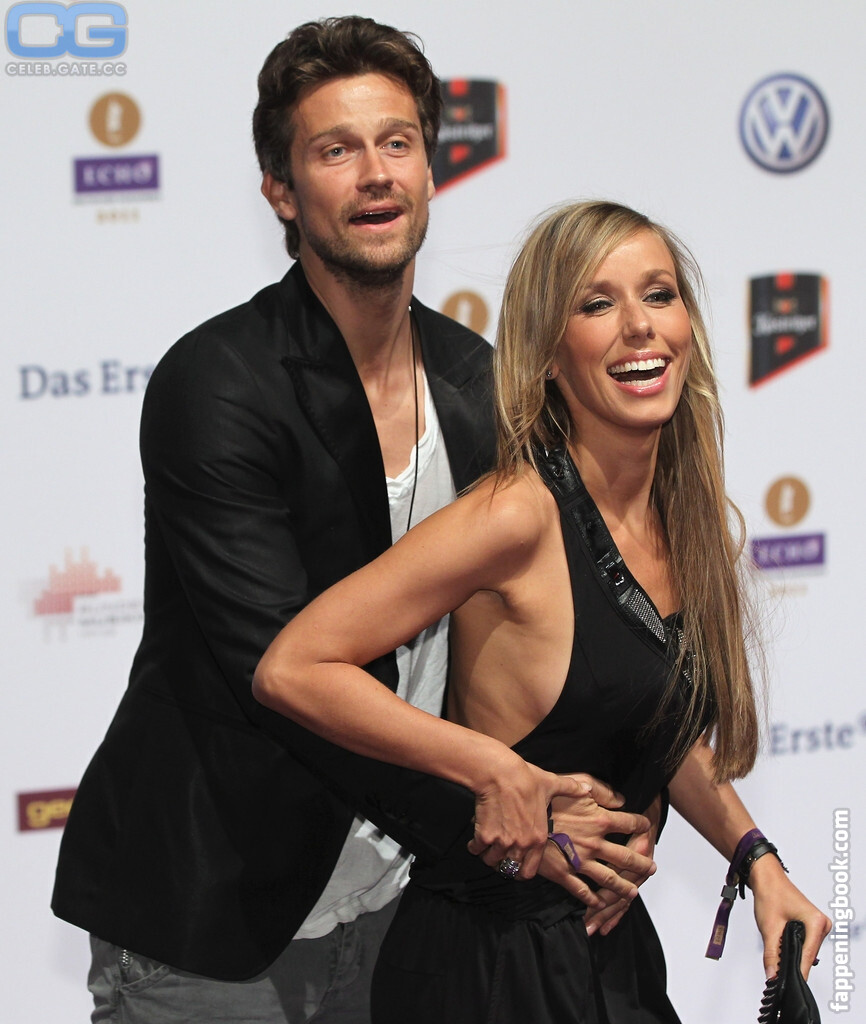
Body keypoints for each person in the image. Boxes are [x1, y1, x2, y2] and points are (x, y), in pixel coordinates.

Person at [52, 21, 654, 1024]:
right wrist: (501, 794)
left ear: (429, 168)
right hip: (209, 917)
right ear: (281, 192)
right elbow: (285, 679)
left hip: (391, 912)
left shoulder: (479, 382)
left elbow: (545, 626)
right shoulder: (219, 384)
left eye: (396, 142)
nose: (375, 173)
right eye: (336, 150)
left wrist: (614, 808)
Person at [252, 199, 832, 1022]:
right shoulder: (516, 515)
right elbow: (293, 667)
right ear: (550, 355)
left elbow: (659, 727)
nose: (640, 326)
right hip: (485, 972)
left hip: (609, 955)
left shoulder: (686, 523)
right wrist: (494, 769)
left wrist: (757, 861)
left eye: (659, 294)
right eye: (597, 304)